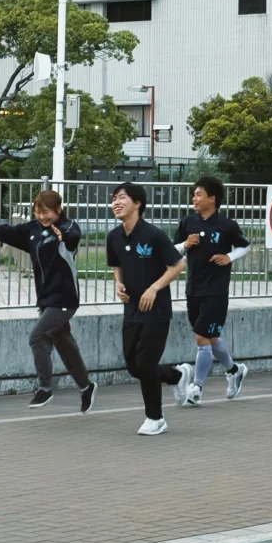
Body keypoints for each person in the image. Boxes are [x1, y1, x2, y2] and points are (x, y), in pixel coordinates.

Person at [0, 190, 96, 412]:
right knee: (66, 346)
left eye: (46, 212)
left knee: (37, 336)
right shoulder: (33, 230)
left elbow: (73, 235)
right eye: (38, 212)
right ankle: (87, 387)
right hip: (46, 298)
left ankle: (45, 388)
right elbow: (4, 232)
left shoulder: (67, 227)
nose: (42, 216)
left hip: (65, 298)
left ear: (58, 210)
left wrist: (62, 236)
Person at [106, 182, 186, 435]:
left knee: (145, 363)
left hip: (156, 311)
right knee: (133, 366)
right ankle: (177, 376)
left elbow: (178, 264)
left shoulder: (153, 235)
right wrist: (119, 283)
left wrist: (154, 289)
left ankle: (156, 418)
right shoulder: (113, 237)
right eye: (114, 199)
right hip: (131, 310)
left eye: (122, 198)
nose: (116, 203)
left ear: (138, 203)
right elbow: (116, 264)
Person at [172, 176, 250, 405]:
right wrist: (186, 245)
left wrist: (229, 257)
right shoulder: (187, 223)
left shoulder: (226, 225)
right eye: (194, 194)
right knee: (211, 337)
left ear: (212, 198)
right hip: (193, 287)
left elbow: (245, 246)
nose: (194, 198)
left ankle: (196, 388)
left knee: (202, 337)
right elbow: (173, 251)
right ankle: (234, 370)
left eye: (199, 194)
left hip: (216, 290)